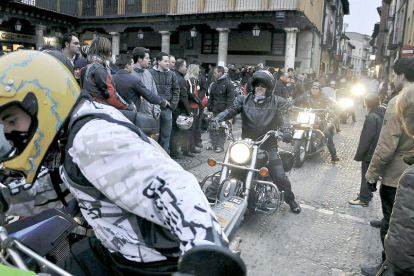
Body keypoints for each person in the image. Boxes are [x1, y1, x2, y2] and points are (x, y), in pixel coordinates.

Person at [0, 50, 240, 276]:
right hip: (115, 248)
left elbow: (174, 186)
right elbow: (64, 183)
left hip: (151, 263)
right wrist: (7, 200)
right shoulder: (71, 132)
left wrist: (208, 253)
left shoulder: (93, 138)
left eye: (11, 121)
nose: (8, 131)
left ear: (45, 103)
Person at [205, 70, 301, 214]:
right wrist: (217, 119)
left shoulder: (278, 102)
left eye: (263, 85)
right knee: (231, 168)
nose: (260, 88)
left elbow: (284, 119)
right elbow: (231, 110)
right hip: (246, 144)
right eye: (257, 85)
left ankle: (290, 199)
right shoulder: (244, 99)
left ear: (269, 88)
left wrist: (286, 132)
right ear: (253, 86)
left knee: (279, 175)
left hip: (267, 145)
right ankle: (208, 198)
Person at [362, 57, 414, 276]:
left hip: (397, 176)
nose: (392, 79)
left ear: (402, 76)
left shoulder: (399, 101)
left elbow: (386, 145)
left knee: (394, 227)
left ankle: (386, 267)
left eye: (394, 75)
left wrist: (371, 174)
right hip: (408, 169)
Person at [376, 83, 414, 276]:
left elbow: (401, 245)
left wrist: (371, 174)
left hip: (394, 176)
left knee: (389, 220)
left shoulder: (411, 178)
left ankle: (381, 263)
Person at [348, 94, 384, 207]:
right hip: (377, 149)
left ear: (366, 104)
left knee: (366, 174)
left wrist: (360, 154)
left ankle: (363, 198)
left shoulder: (372, 117)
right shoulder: (381, 113)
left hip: (370, 151)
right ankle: (368, 194)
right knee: (371, 173)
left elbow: (367, 138)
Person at [291, 82, 340, 162]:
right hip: (306, 116)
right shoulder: (306, 95)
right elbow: (297, 100)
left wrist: (334, 107)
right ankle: (295, 146)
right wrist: (290, 104)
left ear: (319, 90)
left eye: (316, 89)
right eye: (313, 88)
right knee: (294, 127)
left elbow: (331, 103)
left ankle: (333, 155)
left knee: (327, 134)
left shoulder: (323, 96)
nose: (314, 90)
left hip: (320, 117)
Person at [80, 37, 132, 110]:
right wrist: (129, 107)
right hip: (102, 110)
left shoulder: (84, 69)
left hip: (88, 109)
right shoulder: (100, 70)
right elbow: (111, 97)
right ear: (106, 51)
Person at [150, 52, 180, 153]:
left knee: (166, 136)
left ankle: (164, 156)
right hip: (155, 108)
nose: (168, 63)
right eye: (165, 61)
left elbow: (176, 90)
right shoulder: (150, 73)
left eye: (168, 61)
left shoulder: (172, 74)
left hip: (167, 109)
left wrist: (172, 105)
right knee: (154, 135)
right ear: (159, 61)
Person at [206, 66, 235, 153]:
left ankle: (220, 146)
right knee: (214, 127)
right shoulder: (215, 84)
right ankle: (214, 144)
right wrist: (208, 106)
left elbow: (230, 100)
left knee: (222, 128)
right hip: (215, 109)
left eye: (215, 73)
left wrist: (228, 112)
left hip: (223, 111)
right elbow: (211, 97)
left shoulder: (228, 84)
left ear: (220, 73)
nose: (214, 74)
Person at [170, 59, 192, 159]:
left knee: (173, 131)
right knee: (176, 132)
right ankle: (174, 153)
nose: (186, 68)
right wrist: (188, 110)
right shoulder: (180, 79)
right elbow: (183, 96)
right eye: (185, 66)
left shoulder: (173, 75)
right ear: (180, 67)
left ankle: (173, 150)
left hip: (173, 106)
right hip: (178, 108)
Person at [131, 47, 160, 118]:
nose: (149, 60)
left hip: (149, 115)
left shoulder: (148, 73)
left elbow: (154, 92)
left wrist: (156, 108)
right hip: (135, 115)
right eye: (147, 58)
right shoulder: (130, 74)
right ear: (139, 59)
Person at [183, 64, 202, 156]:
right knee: (190, 129)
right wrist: (199, 102)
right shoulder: (192, 80)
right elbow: (192, 94)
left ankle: (190, 147)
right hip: (192, 106)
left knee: (191, 129)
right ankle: (188, 148)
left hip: (193, 106)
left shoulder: (190, 80)